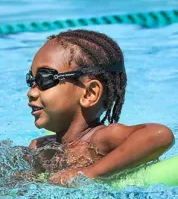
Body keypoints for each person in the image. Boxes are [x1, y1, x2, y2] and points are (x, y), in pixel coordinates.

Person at [26, 29, 174, 186]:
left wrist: (91, 173)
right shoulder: (40, 147)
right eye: (31, 80)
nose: (31, 92)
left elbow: (159, 135)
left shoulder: (100, 139)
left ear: (89, 93)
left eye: (45, 79)